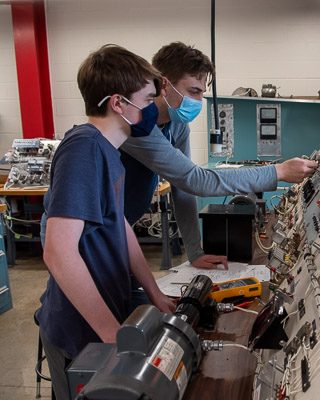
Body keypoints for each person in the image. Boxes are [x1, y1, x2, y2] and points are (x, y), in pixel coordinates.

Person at [37, 45, 176, 399]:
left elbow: (121, 227)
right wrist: (112, 333)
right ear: (118, 103)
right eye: (146, 99)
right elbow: (58, 252)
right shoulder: (83, 148)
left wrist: (154, 293)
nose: (152, 109)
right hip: (79, 331)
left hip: (103, 320)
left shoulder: (108, 151)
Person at [119, 41, 318, 271]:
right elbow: (196, 180)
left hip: (121, 228)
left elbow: (182, 187)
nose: (197, 101)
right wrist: (279, 171)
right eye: (193, 91)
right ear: (164, 84)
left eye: (202, 93)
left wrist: (194, 251)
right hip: (94, 231)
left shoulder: (178, 125)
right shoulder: (137, 124)